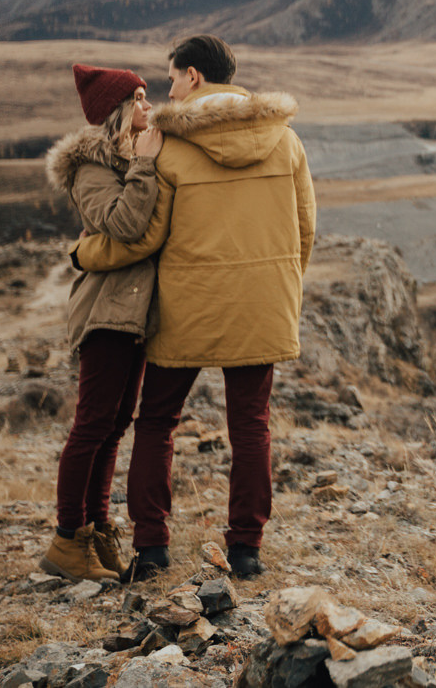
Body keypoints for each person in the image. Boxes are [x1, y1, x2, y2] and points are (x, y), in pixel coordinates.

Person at [73, 34, 314, 581]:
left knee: (157, 422)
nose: (168, 92)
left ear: (194, 77)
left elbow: (144, 239)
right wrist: (280, 285)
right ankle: (246, 551)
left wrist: (84, 250)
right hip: (262, 304)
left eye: (173, 79)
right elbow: (305, 229)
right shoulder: (287, 141)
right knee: (251, 427)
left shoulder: (170, 147)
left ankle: (152, 549)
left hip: (185, 308)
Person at [40, 63, 164, 583]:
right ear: (117, 112)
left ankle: (97, 528)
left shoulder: (126, 158)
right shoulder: (92, 168)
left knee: (113, 427)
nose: (148, 106)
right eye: (137, 99)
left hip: (132, 311)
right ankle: (68, 540)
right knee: (92, 425)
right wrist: (145, 165)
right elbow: (125, 223)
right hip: (106, 312)